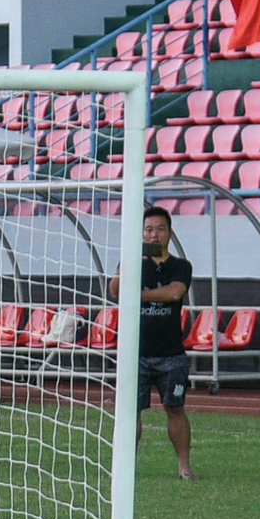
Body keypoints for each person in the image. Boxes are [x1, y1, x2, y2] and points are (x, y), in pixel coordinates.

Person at [109, 206, 197, 480]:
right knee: (130, 411)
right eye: (148, 230)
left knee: (175, 408)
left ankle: (184, 466)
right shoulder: (133, 261)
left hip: (171, 353)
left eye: (159, 229)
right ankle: (126, 468)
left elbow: (174, 293)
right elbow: (114, 291)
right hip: (135, 353)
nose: (154, 235)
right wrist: (130, 262)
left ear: (169, 233)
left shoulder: (181, 265)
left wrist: (139, 295)